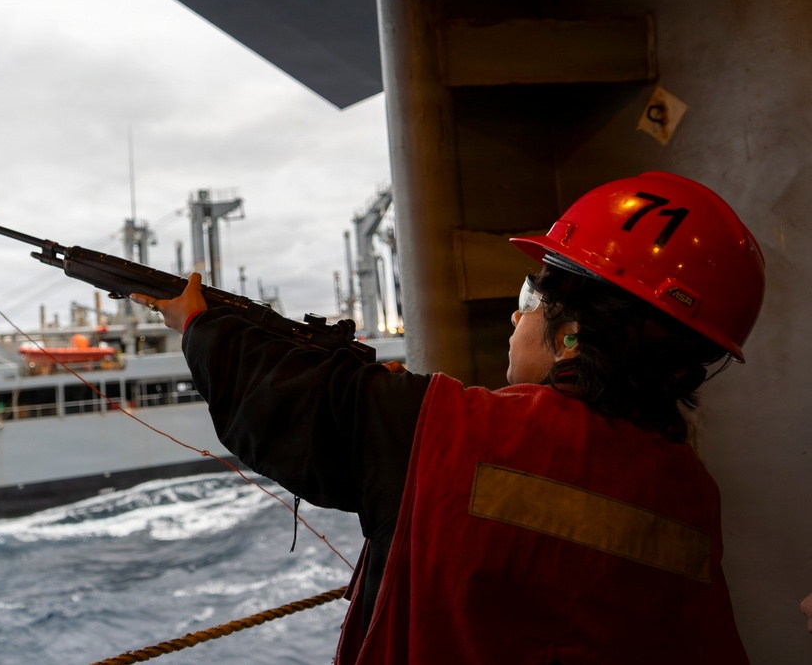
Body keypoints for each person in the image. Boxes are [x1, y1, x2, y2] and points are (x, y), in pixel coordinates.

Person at [131, 172, 764, 664]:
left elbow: (297, 409)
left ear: (574, 334)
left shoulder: (458, 433)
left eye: (530, 299)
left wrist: (201, 324)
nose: (517, 317)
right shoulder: (690, 491)